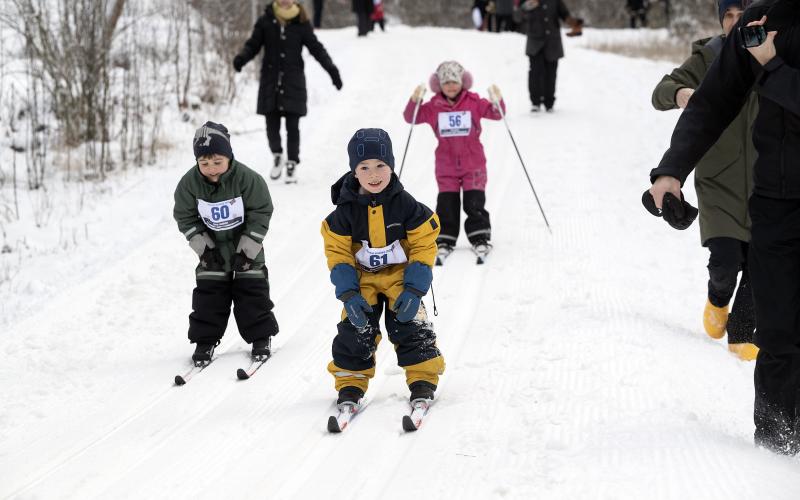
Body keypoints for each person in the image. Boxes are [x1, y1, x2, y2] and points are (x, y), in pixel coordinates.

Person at [646, 0, 800, 454]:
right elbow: (713, 101)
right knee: (777, 332)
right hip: (776, 202)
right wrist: (671, 171)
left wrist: (774, 68)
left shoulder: (767, 47)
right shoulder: (759, 22)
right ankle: (776, 448)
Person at [650, 0, 758, 361]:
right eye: (727, 16)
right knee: (726, 260)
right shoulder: (710, 56)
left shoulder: (773, 55)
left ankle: (743, 335)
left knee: (762, 263)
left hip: (767, 181)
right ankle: (718, 298)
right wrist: (683, 94)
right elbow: (662, 91)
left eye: (740, 16)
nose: (733, 23)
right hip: (718, 180)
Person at [321, 128, 445, 407]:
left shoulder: (406, 205)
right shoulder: (344, 212)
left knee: (410, 325)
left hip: (401, 278)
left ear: (391, 166)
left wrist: (415, 288)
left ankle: (423, 379)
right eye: (364, 167)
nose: (374, 174)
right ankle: (350, 383)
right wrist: (348, 294)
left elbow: (424, 243)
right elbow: (338, 252)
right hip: (362, 280)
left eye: (381, 166)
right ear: (354, 171)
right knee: (355, 329)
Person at [173, 122, 280, 365]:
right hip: (213, 250)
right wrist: (204, 248)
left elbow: (261, 211)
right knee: (208, 295)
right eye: (204, 163)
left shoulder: (248, 179)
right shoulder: (189, 184)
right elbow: (185, 216)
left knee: (252, 292)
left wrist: (247, 250)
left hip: (246, 248)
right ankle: (205, 339)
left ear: (229, 156)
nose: (211, 168)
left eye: (217, 162)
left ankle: (261, 336)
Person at [403, 61, 505, 262]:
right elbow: (411, 117)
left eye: (455, 82)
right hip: (446, 164)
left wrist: (497, 100)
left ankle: (480, 236)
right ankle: (445, 239)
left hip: (473, 163)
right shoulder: (433, 107)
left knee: (474, 202)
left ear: (463, 82)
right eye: (446, 83)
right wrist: (415, 100)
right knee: (446, 204)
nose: (451, 86)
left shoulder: (474, 102)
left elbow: (496, 114)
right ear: (439, 85)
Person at [233, 0, 343, 184]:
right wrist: (242, 58)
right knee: (272, 124)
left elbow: (316, 48)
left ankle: (292, 162)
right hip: (270, 81)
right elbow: (253, 45)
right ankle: (277, 155)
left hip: (293, 83)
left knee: (293, 126)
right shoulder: (265, 21)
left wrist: (332, 70)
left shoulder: (301, 23)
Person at [520, 0, 583, 113]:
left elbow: (565, 15)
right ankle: (535, 102)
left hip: (552, 42)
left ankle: (549, 102)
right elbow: (518, 14)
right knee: (535, 72)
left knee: (551, 73)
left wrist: (574, 23)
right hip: (535, 42)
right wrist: (527, 5)